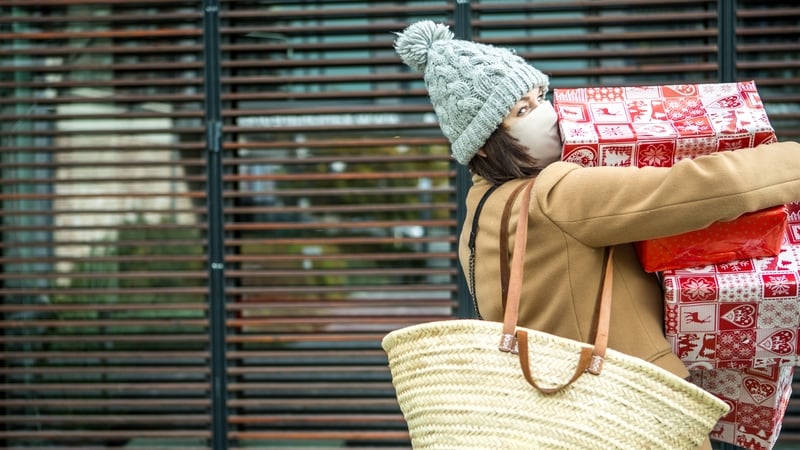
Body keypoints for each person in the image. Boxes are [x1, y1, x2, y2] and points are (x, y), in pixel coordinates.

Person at [394, 20, 800, 450]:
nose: (548, 114)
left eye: (540, 98)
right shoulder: (556, 194)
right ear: (482, 142)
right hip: (629, 408)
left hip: (563, 417)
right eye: (521, 112)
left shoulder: (480, 211)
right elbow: (700, 188)